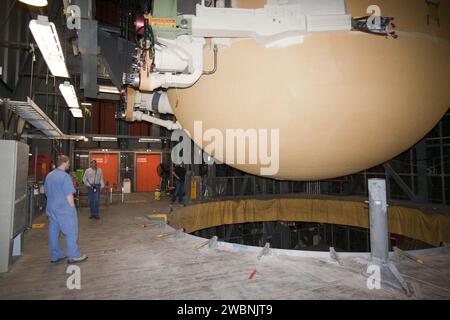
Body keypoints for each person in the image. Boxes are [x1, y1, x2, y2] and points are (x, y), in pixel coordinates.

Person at [44, 155, 88, 264]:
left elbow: (46, 192)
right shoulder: (65, 176)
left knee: (54, 233)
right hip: (64, 209)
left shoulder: (49, 175)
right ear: (64, 162)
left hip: (51, 209)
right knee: (71, 232)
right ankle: (73, 256)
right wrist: (72, 208)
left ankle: (56, 255)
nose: (69, 164)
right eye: (68, 162)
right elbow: (69, 195)